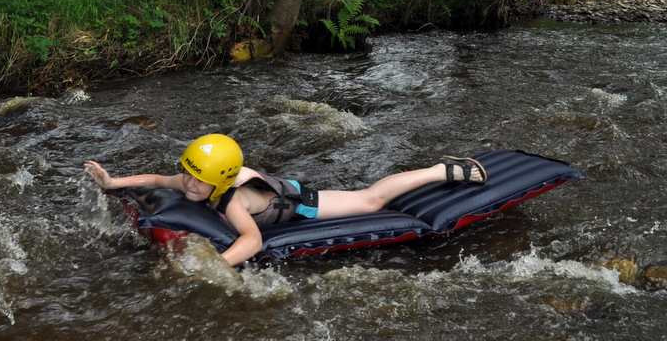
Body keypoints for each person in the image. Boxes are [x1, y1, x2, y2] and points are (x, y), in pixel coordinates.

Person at [83, 133, 487, 266]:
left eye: (198, 181)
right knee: (369, 198)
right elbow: (156, 177)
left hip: (299, 203)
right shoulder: (197, 179)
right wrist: (112, 181)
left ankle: (442, 170)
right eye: (187, 174)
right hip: (271, 189)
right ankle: (438, 170)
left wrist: (218, 265)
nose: (188, 186)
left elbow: (252, 241)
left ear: (219, 182)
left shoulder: (230, 200)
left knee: (371, 202)